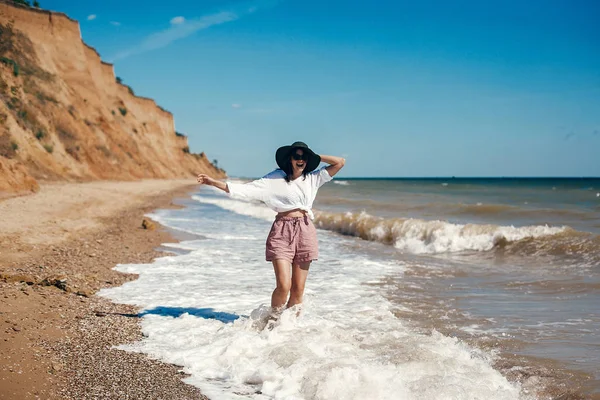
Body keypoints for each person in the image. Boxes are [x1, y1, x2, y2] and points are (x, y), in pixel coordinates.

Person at [196, 141, 345, 312]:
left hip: (305, 230)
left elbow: (339, 162)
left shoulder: (313, 178)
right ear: (289, 159)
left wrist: (316, 156)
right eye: (297, 156)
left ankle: (287, 328)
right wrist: (213, 182)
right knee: (284, 285)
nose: (301, 160)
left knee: (298, 289)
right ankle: (273, 321)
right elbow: (243, 190)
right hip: (282, 230)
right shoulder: (273, 179)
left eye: (305, 157)